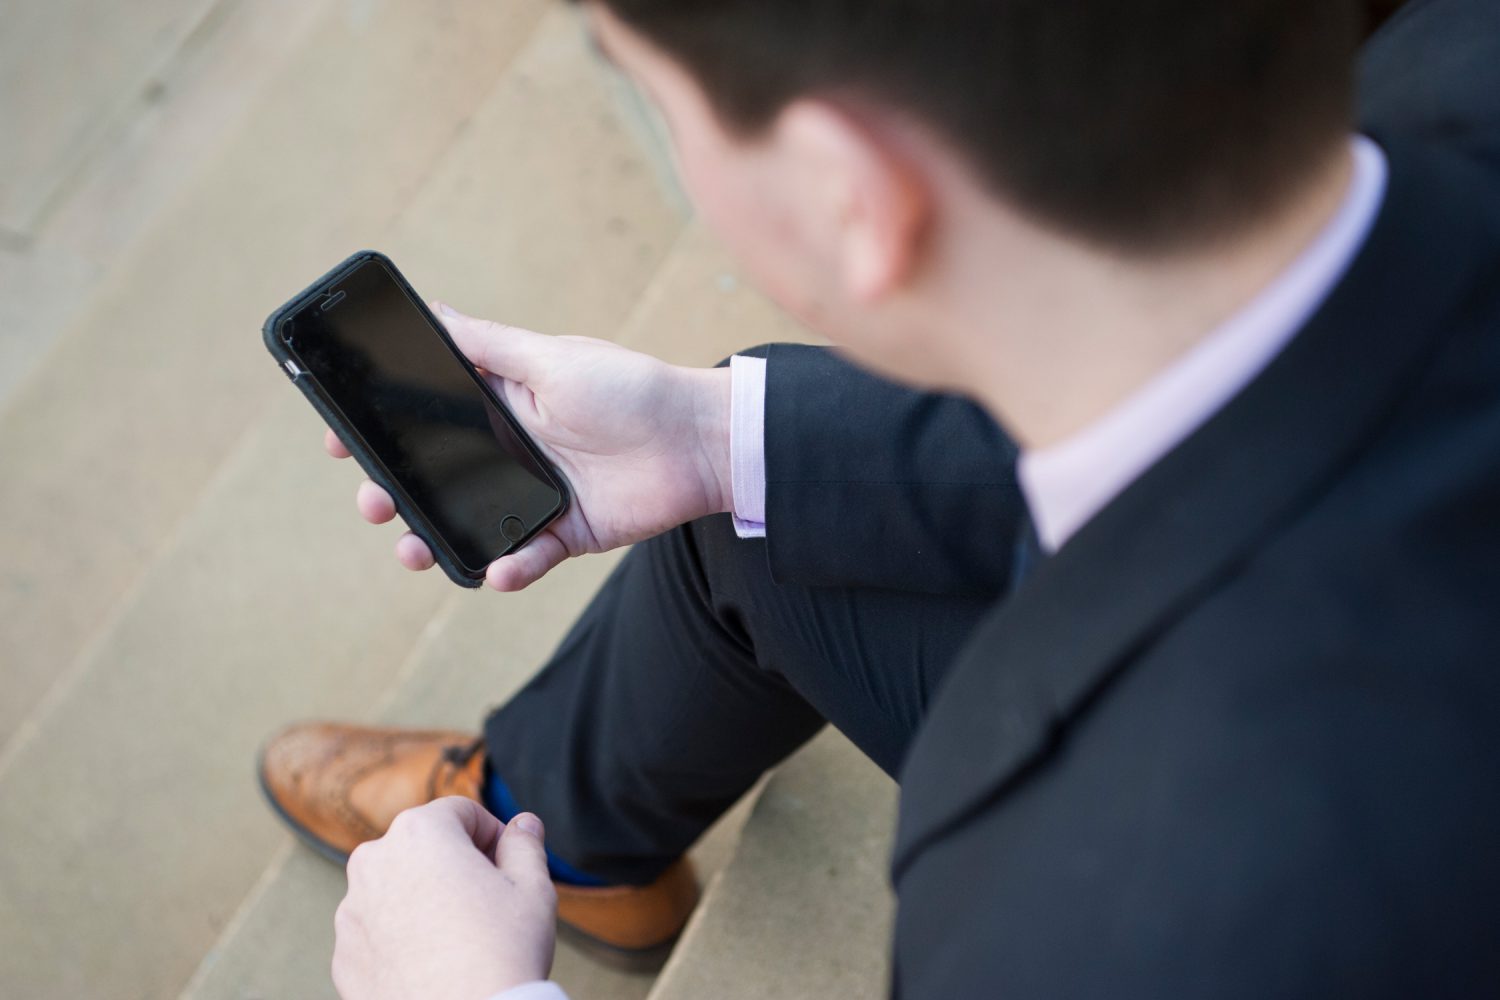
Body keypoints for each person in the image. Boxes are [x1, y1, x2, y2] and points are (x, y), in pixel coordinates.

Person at [258, 0, 1500, 996]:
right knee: (759, 517)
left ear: (849, 195)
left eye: (658, 95)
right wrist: (711, 435)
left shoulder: (1106, 927)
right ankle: (555, 832)